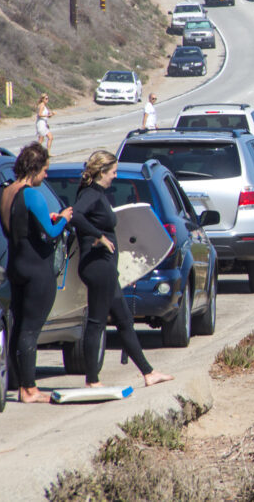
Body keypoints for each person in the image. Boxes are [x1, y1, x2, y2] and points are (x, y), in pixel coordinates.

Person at [72, 151, 173, 389]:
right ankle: (92, 381)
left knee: (125, 320)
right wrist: (99, 237)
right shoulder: (90, 195)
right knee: (96, 322)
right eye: (113, 172)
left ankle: (148, 373)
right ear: (102, 172)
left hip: (106, 267)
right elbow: (75, 216)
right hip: (97, 266)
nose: (115, 177)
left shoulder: (97, 194)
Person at [0, 143, 72, 403]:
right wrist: (63, 218)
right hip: (36, 269)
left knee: (18, 327)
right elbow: (51, 234)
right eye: (45, 170)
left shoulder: (6, 191)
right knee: (31, 331)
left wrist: (46, 219)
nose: (46, 176)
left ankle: (20, 385)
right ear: (35, 169)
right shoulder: (32, 194)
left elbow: (18, 226)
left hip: (16, 264)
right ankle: (30, 390)